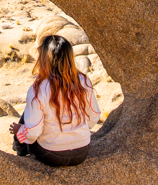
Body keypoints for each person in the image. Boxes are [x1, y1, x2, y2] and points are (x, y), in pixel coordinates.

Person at [9, 34, 102, 167]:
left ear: (44, 59)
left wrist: (20, 130)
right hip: (82, 151)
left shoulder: (38, 89)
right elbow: (94, 116)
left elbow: (33, 133)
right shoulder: (83, 81)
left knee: (26, 117)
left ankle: (20, 153)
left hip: (52, 155)